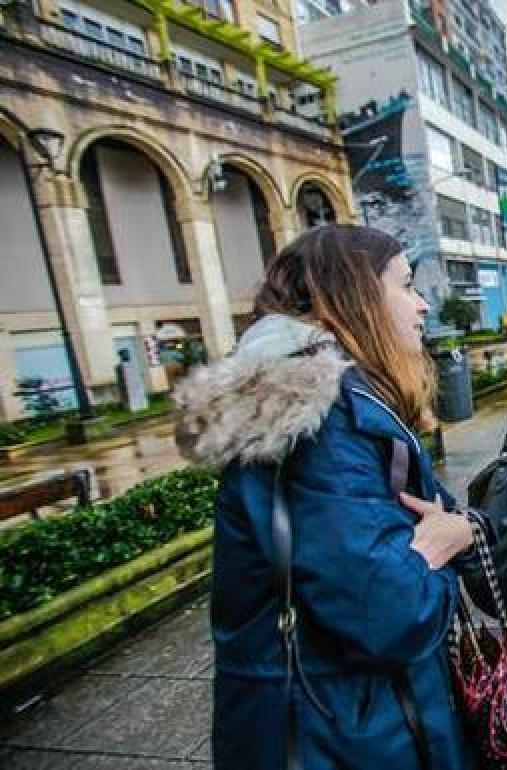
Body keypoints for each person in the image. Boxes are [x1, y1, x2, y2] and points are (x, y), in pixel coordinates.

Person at [174, 225, 476, 770]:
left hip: (340, 723)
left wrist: (453, 529)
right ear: (355, 295)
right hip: (348, 734)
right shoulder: (324, 423)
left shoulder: (314, 405)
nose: (423, 304)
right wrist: (442, 545)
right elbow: (391, 614)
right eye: (407, 285)